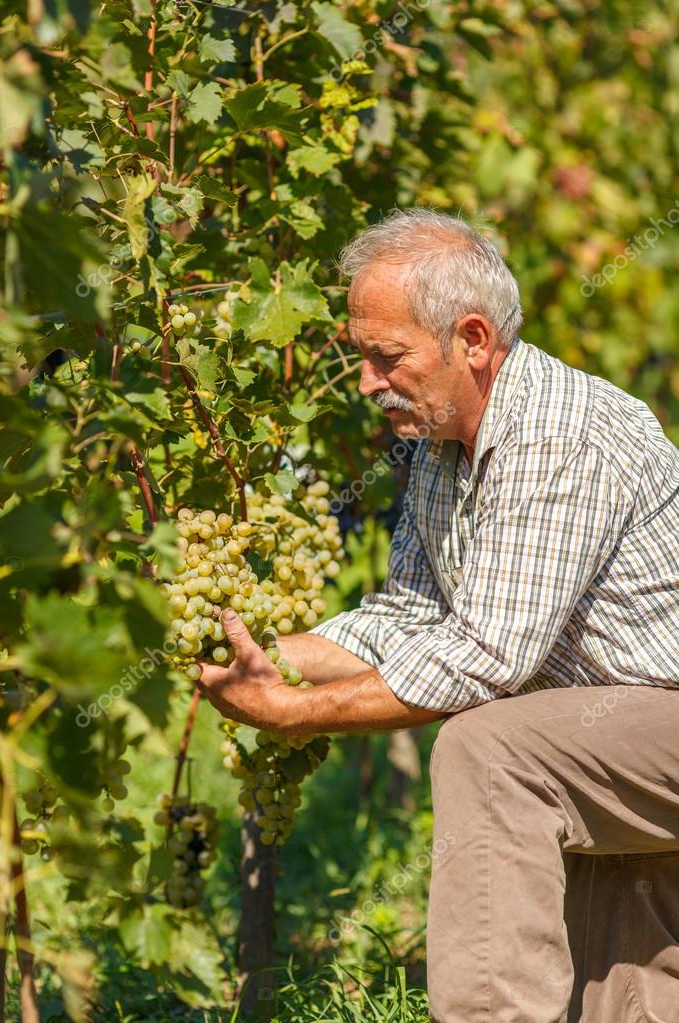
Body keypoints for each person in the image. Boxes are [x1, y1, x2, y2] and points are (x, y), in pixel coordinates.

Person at [196, 209, 679, 1023]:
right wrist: (267, 655)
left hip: (645, 719)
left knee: (492, 749)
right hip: (610, 736)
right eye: (361, 357)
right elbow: (413, 617)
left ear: (475, 340)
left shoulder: (561, 437)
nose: (366, 383)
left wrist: (295, 714)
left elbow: (484, 657)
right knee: (626, 1001)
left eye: (387, 358)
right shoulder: (439, 447)